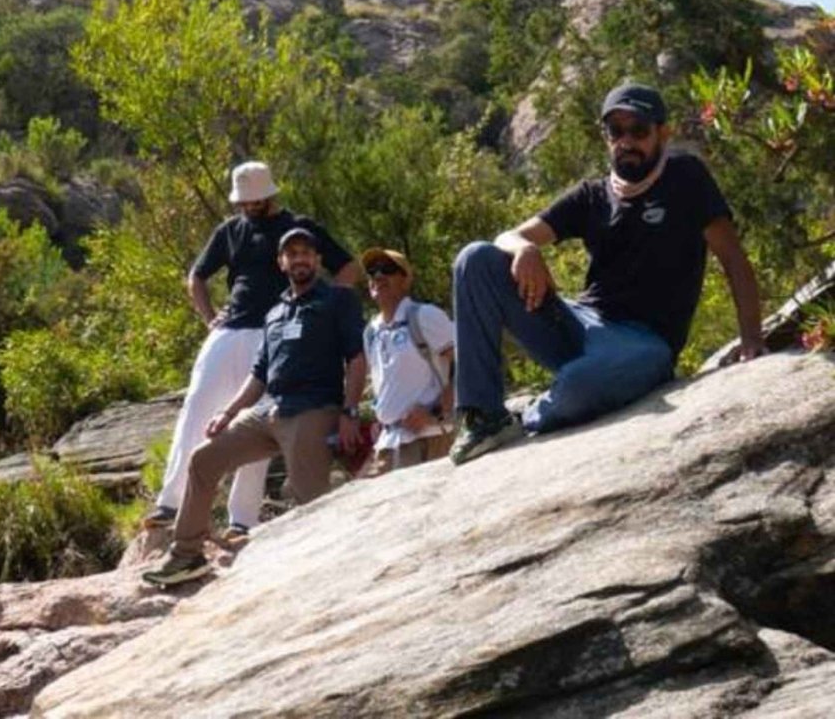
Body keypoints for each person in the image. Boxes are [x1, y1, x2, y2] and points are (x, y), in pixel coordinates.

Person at [448, 81, 766, 465]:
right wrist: (525, 248)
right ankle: (485, 416)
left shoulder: (686, 177)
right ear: (605, 136)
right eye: (616, 131)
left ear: (662, 133)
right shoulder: (592, 195)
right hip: (577, 323)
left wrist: (752, 340)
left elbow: (733, 258)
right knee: (475, 258)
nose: (626, 141)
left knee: (579, 385)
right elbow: (507, 236)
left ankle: (531, 413)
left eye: (638, 130)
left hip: (643, 345)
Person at [142, 161, 357, 545]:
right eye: (243, 200)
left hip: (275, 331)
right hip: (229, 330)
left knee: (263, 421)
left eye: (255, 199)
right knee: (197, 405)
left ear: (270, 195)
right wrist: (209, 317)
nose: (248, 206)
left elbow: (348, 267)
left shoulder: (299, 229)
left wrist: (320, 308)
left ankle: (242, 518)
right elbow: (197, 277)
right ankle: (170, 502)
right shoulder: (231, 230)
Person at [360, 247, 455, 473]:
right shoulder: (371, 332)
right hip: (389, 443)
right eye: (372, 271)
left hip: (430, 439)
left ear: (405, 280)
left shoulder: (425, 315)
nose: (378, 276)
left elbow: (468, 365)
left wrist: (434, 412)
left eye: (388, 269)